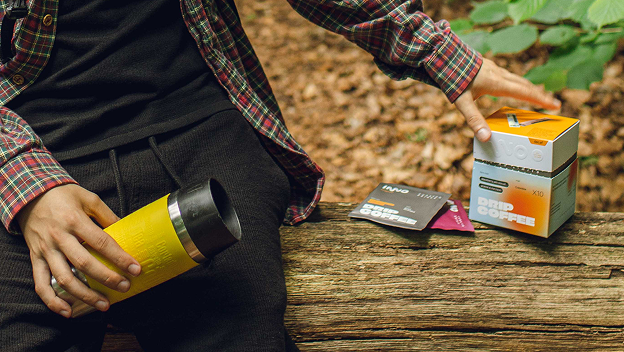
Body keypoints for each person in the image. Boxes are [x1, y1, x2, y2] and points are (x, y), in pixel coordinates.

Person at [0, 0, 560, 350]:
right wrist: (27, 185)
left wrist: (437, 52)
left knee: (239, 330)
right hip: (27, 153)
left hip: (198, 128)